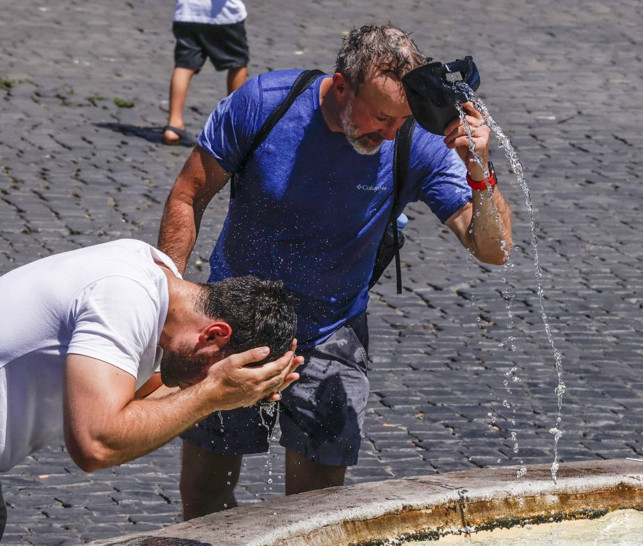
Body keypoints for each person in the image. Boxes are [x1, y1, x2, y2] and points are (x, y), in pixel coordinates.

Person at [157, 23, 513, 519]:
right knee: (205, 498)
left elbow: (493, 248)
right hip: (232, 324)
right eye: (381, 117)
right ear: (342, 85)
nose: (390, 133)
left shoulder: (414, 137)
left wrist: (479, 167)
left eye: (400, 120)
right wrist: (170, 298)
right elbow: (188, 194)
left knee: (314, 513)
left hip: (332, 330)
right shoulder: (266, 103)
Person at [0, 239, 303, 538]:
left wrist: (229, 393)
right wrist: (212, 394)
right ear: (215, 334)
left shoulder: (157, 279)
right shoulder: (122, 298)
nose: (198, 384)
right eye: (213, 372)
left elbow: (139, 397)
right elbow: (95, 444)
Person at [162, 0, 250, 145]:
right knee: (237, 64)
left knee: (184, 65)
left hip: (188, 12)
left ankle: (173, 125)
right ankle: (235, 124)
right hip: (223, 15)